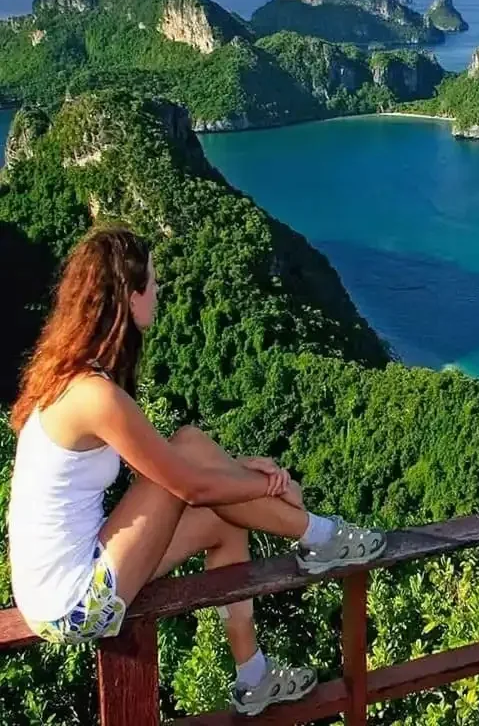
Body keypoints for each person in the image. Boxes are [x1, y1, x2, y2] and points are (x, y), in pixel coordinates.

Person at [6, 226, 387, 717]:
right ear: (130, 297)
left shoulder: (69, 377)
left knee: (223, 517)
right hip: (72, 605)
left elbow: (168, 466)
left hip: (65, 583)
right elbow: (187, 484)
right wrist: (272, 483)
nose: (160, 293)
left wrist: (238, 469)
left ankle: (254, 678)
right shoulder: (94, 396)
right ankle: (320, 535)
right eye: (154, 284)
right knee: (189, 451)